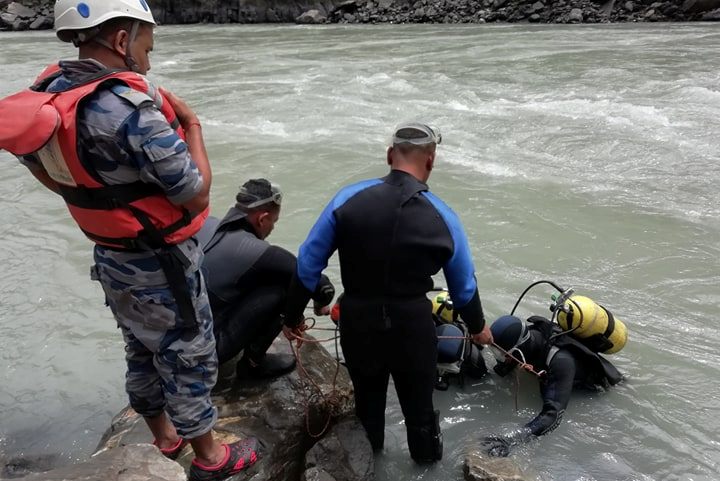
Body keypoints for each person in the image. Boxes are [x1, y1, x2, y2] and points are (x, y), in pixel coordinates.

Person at [0, 2, 257, 479]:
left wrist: (101, 198)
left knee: (139, 346)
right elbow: (196, 195)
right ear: (121, 41)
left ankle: (163, 437)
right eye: (146, 46)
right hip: (160, 260)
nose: (150, 60)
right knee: (188, 352)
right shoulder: (130, 111)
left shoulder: (49, 95)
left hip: (111, 254)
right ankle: (210, 458)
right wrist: (193, 124)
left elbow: (45, 171)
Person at [283, 122, 493, 463]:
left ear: (389, 155)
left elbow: (307, 264)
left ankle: (369, 464)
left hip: (358, 322)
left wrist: (291, 317)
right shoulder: (443, 215)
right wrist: (480, 326)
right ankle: (425, 466)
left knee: (368, 407)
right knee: (420, 412)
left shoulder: (346, 199)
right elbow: (464, 287)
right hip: (412, 327)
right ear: (431, 160)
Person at [197, 179, 335, 377]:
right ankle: (252, 365)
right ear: (262, 219)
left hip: (173, 342)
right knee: (284, 285)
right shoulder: (260, 253)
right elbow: (321, 286)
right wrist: (318, 304)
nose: (273, 228)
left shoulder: (205, 224)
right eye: (274, 221)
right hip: (205, 353)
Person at [482, 314, 624, 457]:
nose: (499, 357)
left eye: (501, 354)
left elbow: (553, 415)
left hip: (594, 390)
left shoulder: (561, 361)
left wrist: (511, 440)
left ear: (518, 350)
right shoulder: (527, 341)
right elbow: (504, 367)